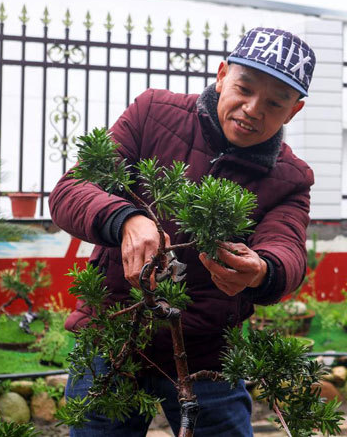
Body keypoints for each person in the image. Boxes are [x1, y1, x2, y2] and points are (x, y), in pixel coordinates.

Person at [49, 27, 316, 436]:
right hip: (114, 337)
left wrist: (263, 270)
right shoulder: (152, 114)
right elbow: (71, 190)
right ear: (222, 75)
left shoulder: (291, 178)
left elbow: (287, 246)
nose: (252, 109)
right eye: (244, 89)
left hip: (208, 354)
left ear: (293, 111)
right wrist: (126, 219)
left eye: (275, 103)